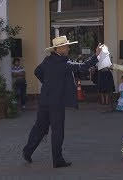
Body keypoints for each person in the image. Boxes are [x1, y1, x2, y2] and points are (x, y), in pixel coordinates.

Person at [22, 36, 102, 168]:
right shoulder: (64, 63)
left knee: (39, 128)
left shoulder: (47, 60)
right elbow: (82, 67)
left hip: (44, 99)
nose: (68, 48)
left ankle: (27, 151)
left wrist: (47, 83)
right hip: (56, 101)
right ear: (59, 48)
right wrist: (96, 55)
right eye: (66, 46)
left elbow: (37, 71)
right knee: (57, 130)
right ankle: (57, 160)